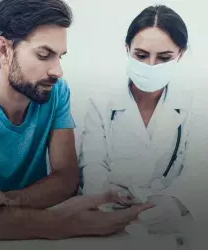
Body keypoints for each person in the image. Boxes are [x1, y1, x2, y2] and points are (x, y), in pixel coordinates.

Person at [0, 0, 153, 240]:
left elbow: (67, 178)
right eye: (44, 54)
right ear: (4, 50)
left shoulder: (56, 93)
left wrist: (5, 202)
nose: (57, 71)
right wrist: (66, 223)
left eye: (60, 56)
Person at [79, 5, 198, 249]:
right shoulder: (101, 102)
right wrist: (107, 194)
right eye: (141, 55)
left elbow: (199, 171)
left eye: (164, 58)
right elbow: (92, 165)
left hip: (170, 225)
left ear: (180, 54)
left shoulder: (195, 104)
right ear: (127, 49)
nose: (151, 66)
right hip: (108, 218)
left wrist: (176, 202)